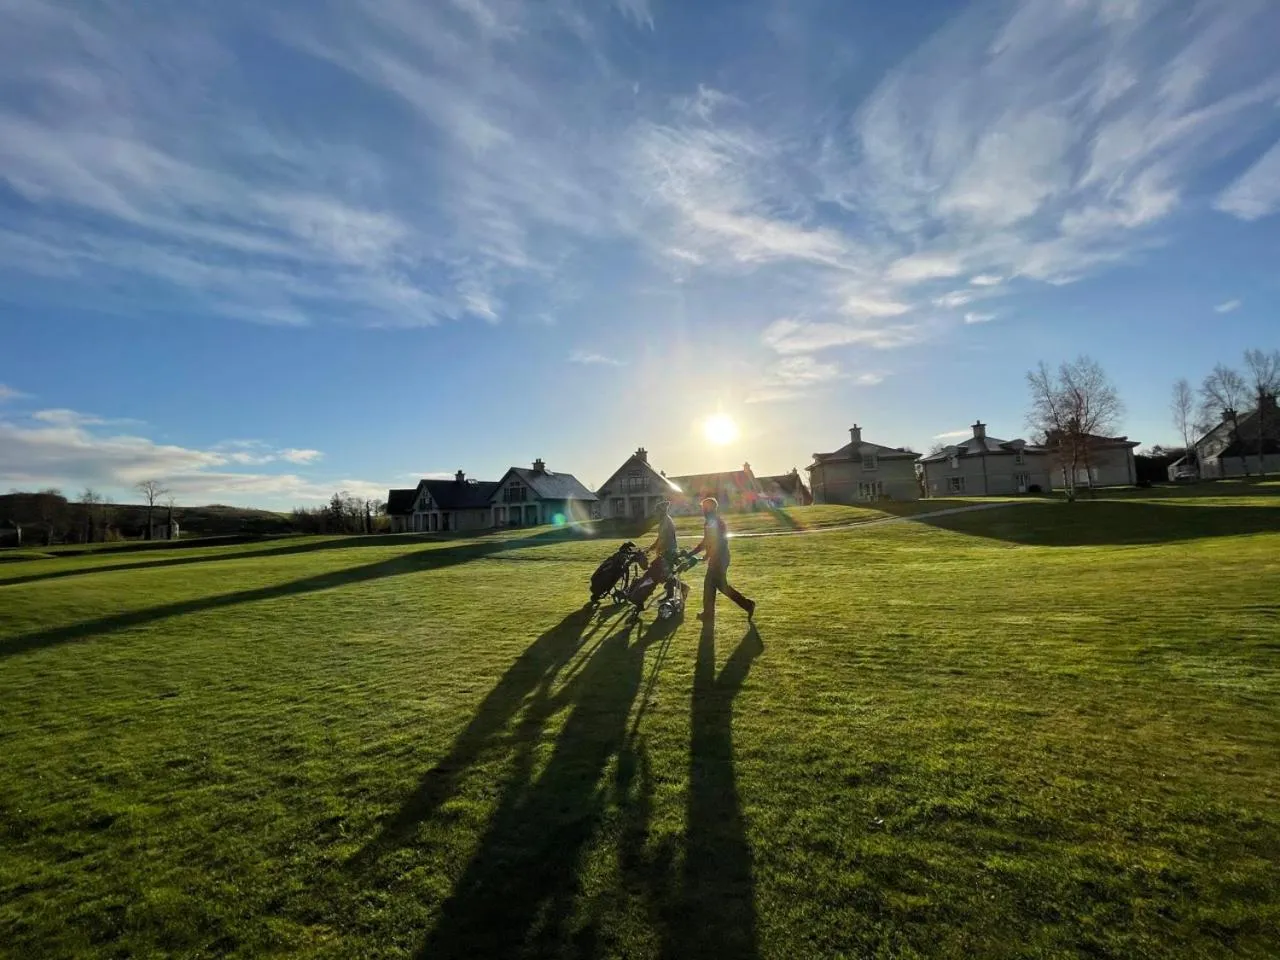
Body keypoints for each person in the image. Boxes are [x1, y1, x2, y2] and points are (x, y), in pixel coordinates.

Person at [689, 497, 755, 622]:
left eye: (704, 507)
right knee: (712, 586)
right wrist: (706, 555)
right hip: (718, 557)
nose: (702, 510)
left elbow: (713, 541)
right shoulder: (710, 521)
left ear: (710, 508)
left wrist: (697, 553)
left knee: (715, 585)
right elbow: (708, 541)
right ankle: (709, 614)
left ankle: (747, 605)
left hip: (720, 558)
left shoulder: (714, 522)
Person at [631, 500, 681, 608]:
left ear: (662, 511)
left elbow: (663, 539)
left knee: (661, 574)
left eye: (657, 511)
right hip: (666, 552)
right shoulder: (664, 521)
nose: (656, 513)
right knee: (666, 575)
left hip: (668, 552)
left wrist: (658, 550)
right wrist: (652, 547)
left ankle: (681, 589)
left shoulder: (666, 521)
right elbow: (660, 538)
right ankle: (671, 595)